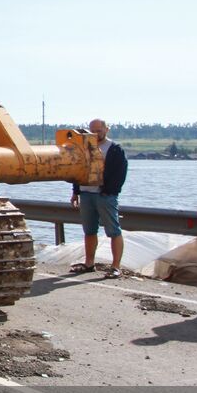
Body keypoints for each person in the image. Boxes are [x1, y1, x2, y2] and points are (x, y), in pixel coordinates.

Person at [69, 118, 129, 278]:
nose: (96, 133)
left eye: (99, 130)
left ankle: (116, 266)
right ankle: (89, 263)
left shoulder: (115, 149)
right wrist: (76, 191)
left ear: (106, 129)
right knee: (89, 231)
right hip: (86, 193)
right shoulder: (84, 147)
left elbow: (120, 174)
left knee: (113, 231)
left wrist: (109, 191)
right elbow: (77, 170)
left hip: (105, 195)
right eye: (92, 130)